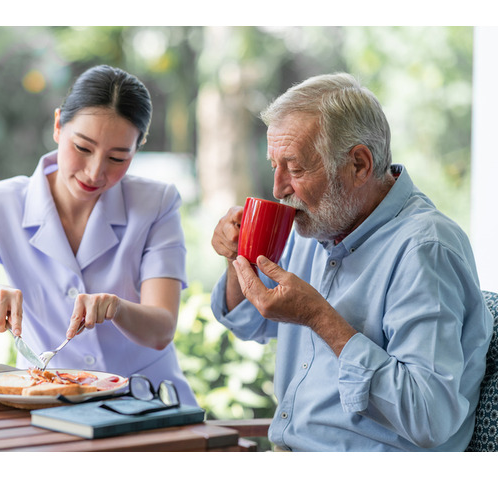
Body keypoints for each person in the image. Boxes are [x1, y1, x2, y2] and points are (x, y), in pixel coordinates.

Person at [210, 72, 493, 450]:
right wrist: (236, 258)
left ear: (359, 164)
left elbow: (430, 417)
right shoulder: (319, 222)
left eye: (295, 168)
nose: (278, 189)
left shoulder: (426, 249)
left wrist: (319, 318)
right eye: (274, 165)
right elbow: (249, 323)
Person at [0, 64, 198, 406]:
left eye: (117, 157)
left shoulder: (156, 203)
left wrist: (118, 308)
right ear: (58, 125)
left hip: (147, 402)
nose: (95, 171)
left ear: (137, 148)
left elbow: (161, 330)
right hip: (46, 404)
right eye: (83, 148)